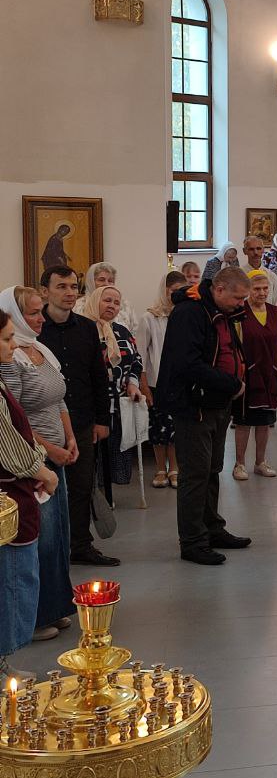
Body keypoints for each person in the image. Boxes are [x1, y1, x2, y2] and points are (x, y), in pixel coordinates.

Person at [156, 266, 254, 565]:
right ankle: (193, 542)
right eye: (238, 297)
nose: (242, 304)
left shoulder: (219, 310)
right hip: (194, 404)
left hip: (216, 403)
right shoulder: (190, 313)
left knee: (211, 471)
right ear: (219, 289)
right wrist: (232, 383)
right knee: (195, 476)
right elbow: (188, 364)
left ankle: (212, 529)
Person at [0, 288, 75, 642]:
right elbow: (16, 420)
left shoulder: (39, 349)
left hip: (54, 453)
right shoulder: (10, 361)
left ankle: (58, 605)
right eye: (32, 313)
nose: (41, 318)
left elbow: (59, 398)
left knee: (59, 536)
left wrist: (69, 437)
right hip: (35, 461)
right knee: (37, 541)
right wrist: (46, 455)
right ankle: (38, 615)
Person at [38, 265, 114, 567]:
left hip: (81, 420)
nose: (69, 293)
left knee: (82, 486)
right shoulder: (34, 326)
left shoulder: (85, 327)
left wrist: (102, 419)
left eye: (73, 287)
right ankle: (50, 550)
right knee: (46, 489)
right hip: (44, 424)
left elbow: (98, 376)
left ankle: (81, 545)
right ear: (45, 291)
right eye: (61, 287)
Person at [80, 285, 147, 498]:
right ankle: (91, 496)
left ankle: (107, 495)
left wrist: (133, 383)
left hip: (118, 405)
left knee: (114, 451)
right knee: (91, 454)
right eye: (107, 300)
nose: (112, 306)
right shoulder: (82, 329)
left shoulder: (122, 331)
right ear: (95, 300)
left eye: (116, 302)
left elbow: (136, 361)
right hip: (91, 405)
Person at [231, 270, 277, 481]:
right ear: (248, 291)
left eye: (265, 288)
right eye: (257, 289)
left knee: (264, 421)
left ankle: (260, 462)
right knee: (244, 421)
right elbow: (235, 345)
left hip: (270, 372)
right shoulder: (240, 312)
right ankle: (239, 464)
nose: (262, 292)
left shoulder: (274, 312)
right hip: (248, 374)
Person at [136, 271, 187, 488]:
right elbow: (141, 355)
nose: (176, 295)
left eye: (181, 291)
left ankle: (174, 468)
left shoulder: (186, 315)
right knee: (158, 429)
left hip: (179, 382)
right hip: (156, 383)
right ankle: (160, 468)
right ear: (164, 290)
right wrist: (144, 386)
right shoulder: (150, 318)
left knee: (176, 428)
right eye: (173, 291)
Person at [74, 262, 137, 335]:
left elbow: (134, 333)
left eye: (110, 281)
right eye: (101, 280)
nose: (106, 284)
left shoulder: (125, 306)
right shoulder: (78, 306)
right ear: (91, 282)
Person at [241, 235, 277, 306]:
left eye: (258, 248)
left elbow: (276, 303)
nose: (255, 252)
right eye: (251, 249)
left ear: (263, 250)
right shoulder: (239, 275)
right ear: (244, 251)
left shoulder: (271, 276)